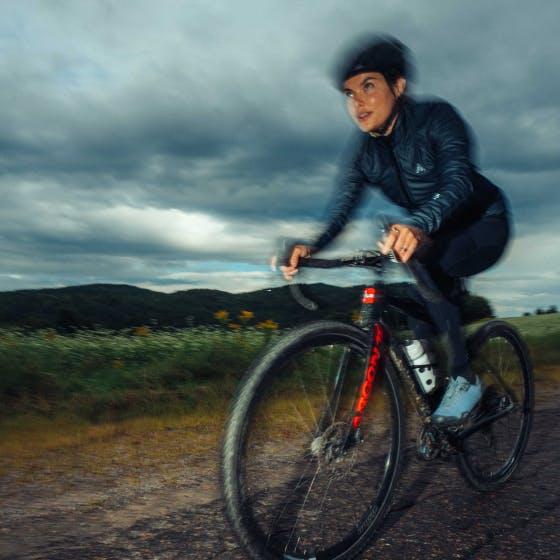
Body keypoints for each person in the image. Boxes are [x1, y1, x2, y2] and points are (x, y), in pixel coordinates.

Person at [278, 35, 510, 426]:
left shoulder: (437, 119)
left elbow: (458, 182)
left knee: (428, 264)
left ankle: (464, 380)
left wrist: (418, 224)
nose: (358, 102)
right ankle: (443, 400)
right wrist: (311, 246)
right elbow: (342, 208)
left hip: (483, 224)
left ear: (398, 86)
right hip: (431, 233)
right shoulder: (365, 152)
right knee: (418, 310)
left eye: (369, 86)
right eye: (350, 93)